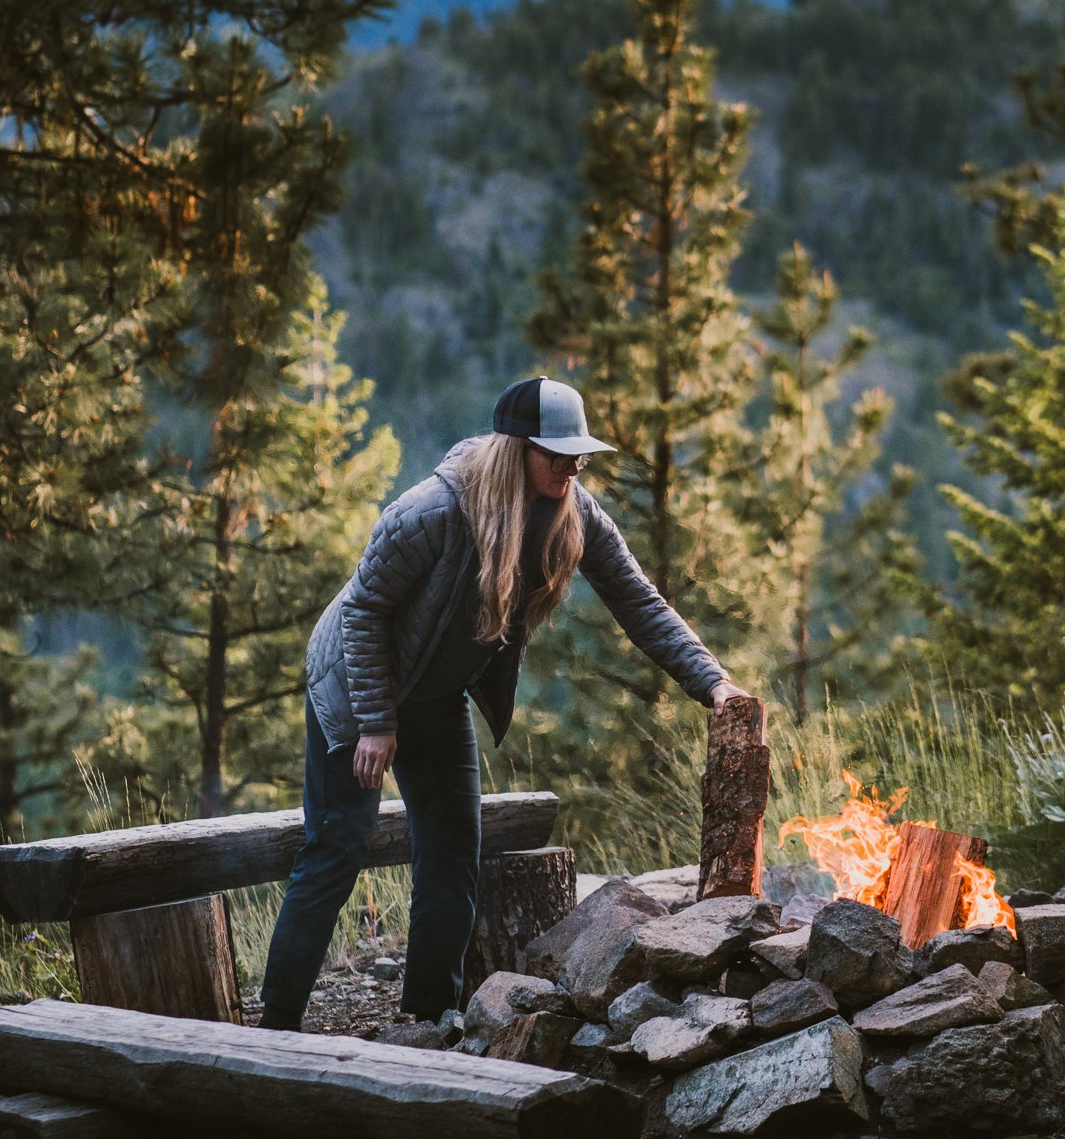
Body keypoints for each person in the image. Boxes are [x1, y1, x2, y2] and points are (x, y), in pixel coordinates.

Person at [259, 375, 745, 1030]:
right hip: (354, 686)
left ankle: (427, 1016)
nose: (572, 466)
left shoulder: (573, 511)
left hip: (433, 697)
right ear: (515, 450)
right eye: (556, 454)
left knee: (454, 850)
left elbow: (638, 600)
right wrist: (375, 723)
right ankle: (280, 1022)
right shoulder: (430, 511)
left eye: (578, 454)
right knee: (338, 844)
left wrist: (712, 683)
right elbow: (362, 611)